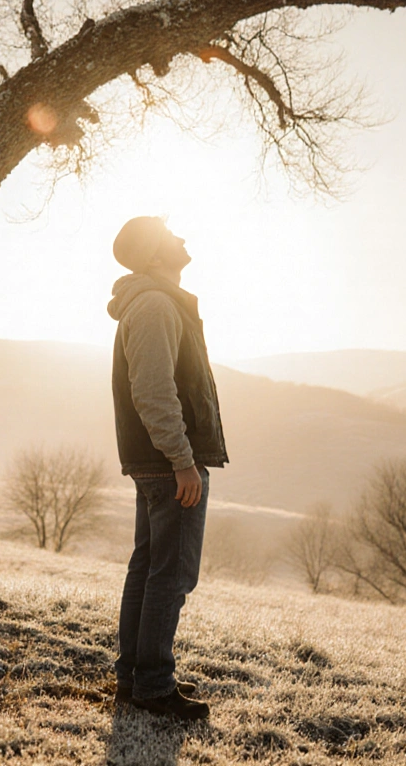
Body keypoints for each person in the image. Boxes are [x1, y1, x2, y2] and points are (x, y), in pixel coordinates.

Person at [107, 216, 228, 721]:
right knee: (171, 575)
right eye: (169, 234)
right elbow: (154, 392)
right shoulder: (156, 304)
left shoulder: (154, 301)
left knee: (149, 568)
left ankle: (135, 677)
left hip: (156, 460)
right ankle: (153, 685)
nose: (181, 237)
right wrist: (183, 461)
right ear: (156, 255)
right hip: (167, 462)